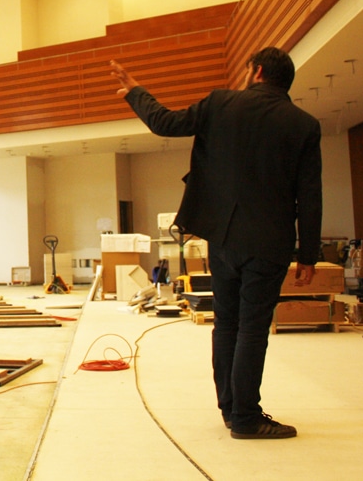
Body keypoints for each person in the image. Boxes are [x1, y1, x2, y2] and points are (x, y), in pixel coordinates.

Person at [110, 47, 322, 440]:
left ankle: (231, 408)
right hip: (269, 242)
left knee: (226, 325)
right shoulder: (303, 124)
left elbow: (165, 122)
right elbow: (309, 194)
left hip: (222, 238)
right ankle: (245, 417)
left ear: (256, 71)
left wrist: (136, 91)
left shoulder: (221, 103)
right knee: (253, 329)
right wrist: (308, 255)